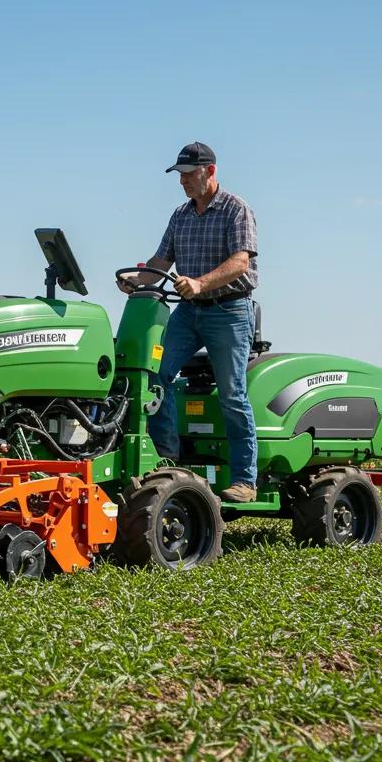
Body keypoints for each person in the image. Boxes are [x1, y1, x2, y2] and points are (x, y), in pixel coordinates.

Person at [117, 141, 259, 502]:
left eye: (188, 175)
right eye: (179, 176)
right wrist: (136, 281)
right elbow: (160, 263)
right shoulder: (180, 215)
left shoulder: (236, 209)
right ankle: (168, 457)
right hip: (189, 312)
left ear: (210, 172)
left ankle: (245, 479)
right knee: (156, 375)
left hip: (229, 311)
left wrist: (200, 282)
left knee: (232, 393)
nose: (182, 182)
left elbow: (241, 262)